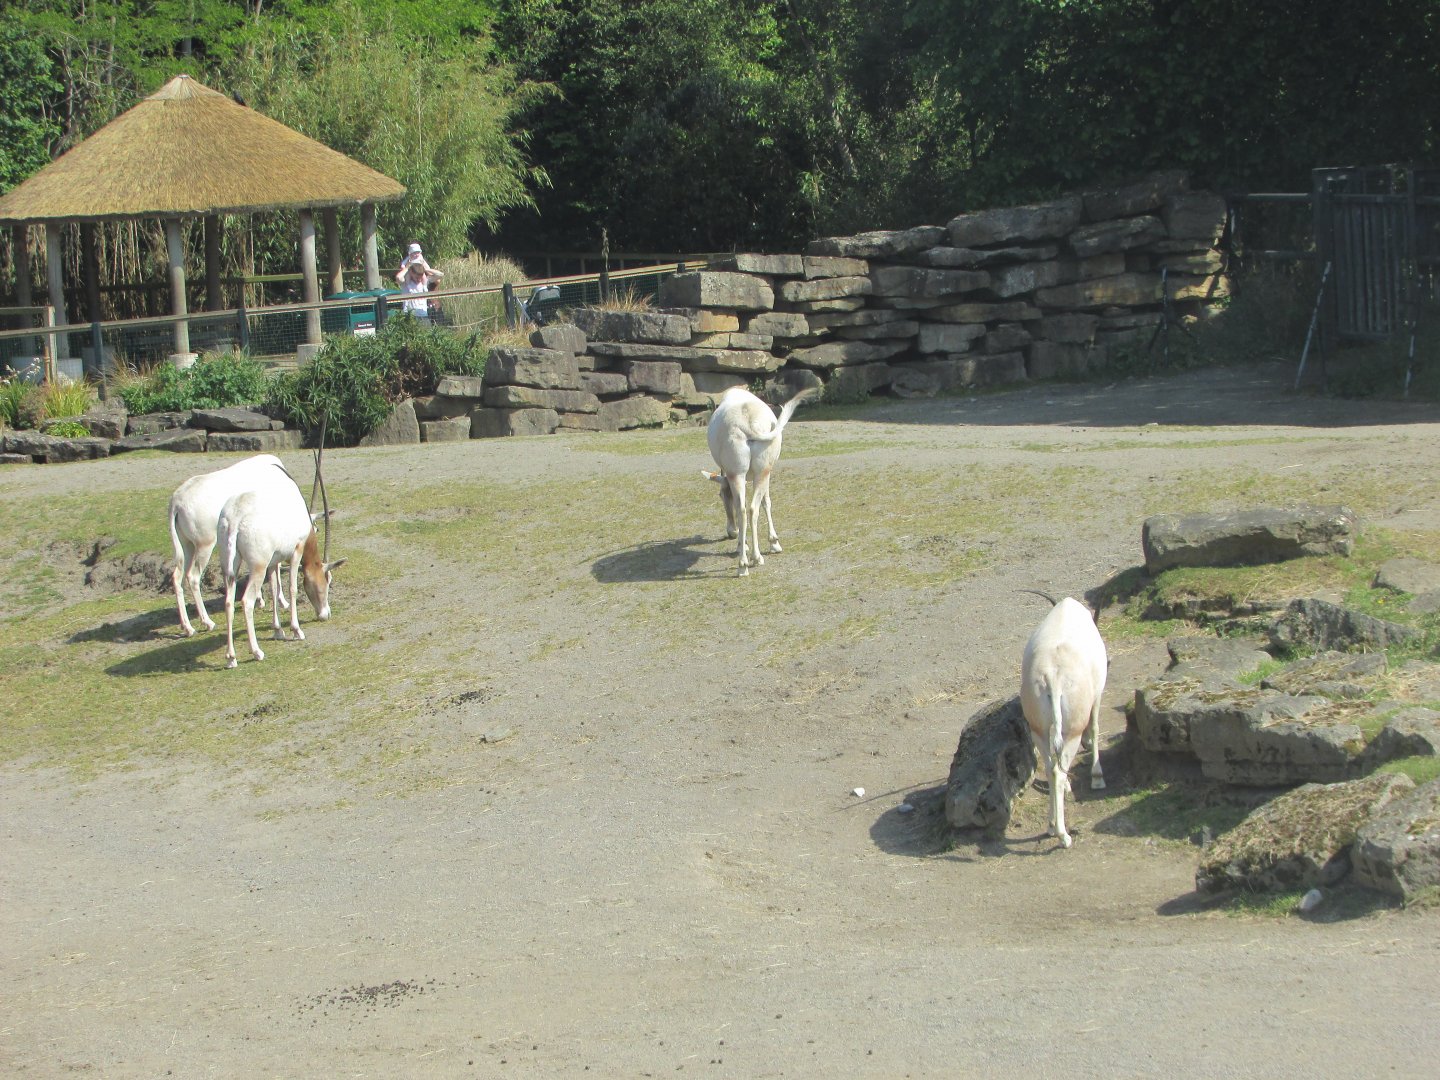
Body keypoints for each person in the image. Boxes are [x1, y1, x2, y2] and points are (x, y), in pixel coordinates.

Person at [395, 242, 444, 317]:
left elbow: (440, 274)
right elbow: (398, 277)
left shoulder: (424, 280)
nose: (419, 279)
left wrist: (427, 269)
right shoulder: (405, 283)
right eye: (417, 277)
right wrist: (407, 267)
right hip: (410, 316)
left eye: (420, 277)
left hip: (423, 315)